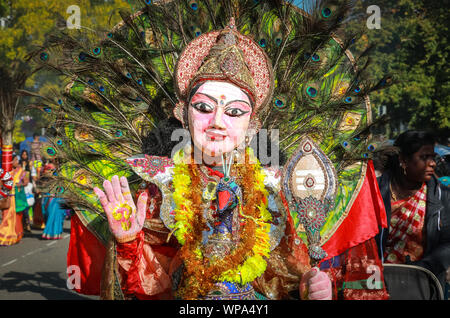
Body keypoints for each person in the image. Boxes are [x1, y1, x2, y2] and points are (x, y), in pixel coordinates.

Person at [35, 0, 391, 300]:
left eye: (234, 112)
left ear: (252, 124)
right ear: (182, 113)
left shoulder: (277, 187)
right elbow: (147, 287)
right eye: (204, 107)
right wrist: (129, 241)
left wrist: (312, 287)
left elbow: (284, 278)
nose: (218, 122)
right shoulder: (160, 187)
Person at [375, 131, 450, 291]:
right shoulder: (375, 191)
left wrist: (422, 269)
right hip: (376, 282)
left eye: (433, 157)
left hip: (423, 284)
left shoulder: (442, 196)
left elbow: (447, 243)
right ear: (403, 160)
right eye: (424, 158)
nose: (433, 164)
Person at [0, 154, 26, 245]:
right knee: (6, 217)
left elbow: (25, 182)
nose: (17, 162)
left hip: (15, 198)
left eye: (17, 160)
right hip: (6, 198)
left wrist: (20, 185)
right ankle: (5, 236)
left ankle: (12, 236)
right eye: (15, 160)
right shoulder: (5, 171)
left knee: (15, 217)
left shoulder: (20, 171)